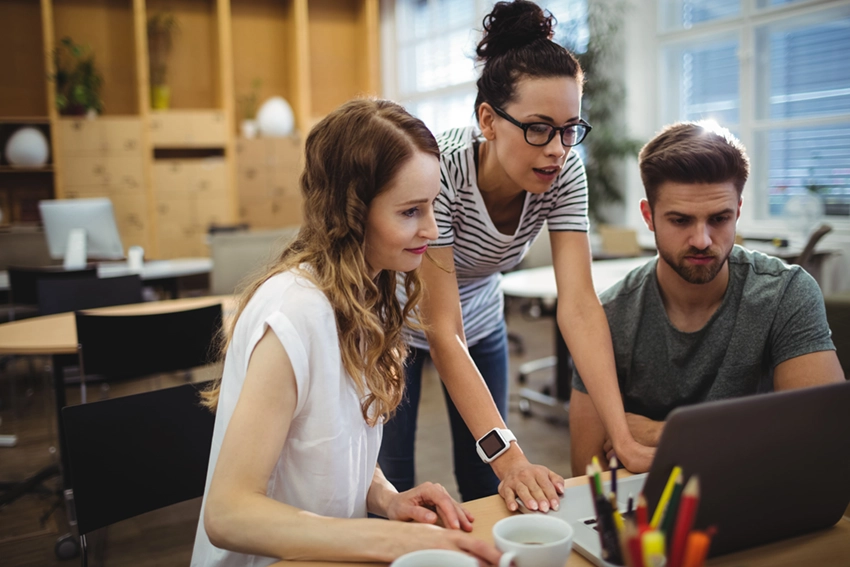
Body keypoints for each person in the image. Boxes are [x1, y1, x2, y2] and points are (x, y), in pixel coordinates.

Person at [191, 99, 502, 566]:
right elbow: (227, 513)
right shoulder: (294, 312)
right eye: (410, 212)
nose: (433, 229)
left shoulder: (365, 297)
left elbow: (328, 447)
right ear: (352, 213)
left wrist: (386, 498)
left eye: (432, 206)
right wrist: (389, 540)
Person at [378, 0, 653, 513]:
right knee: (393, 483)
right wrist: (514, 460)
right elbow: (442, 329)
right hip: (395, 322)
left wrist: (623, 436)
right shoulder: (444, 170)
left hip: (479, 318)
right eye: (538, 127)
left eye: (569, 129)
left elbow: (579, 306)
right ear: (488, 119)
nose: (557, 149)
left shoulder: (564, 173)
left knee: (485, 485)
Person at [569, 121, 845, 475]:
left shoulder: (786, 294)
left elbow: (823, 438)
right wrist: (753, 437)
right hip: (654, 505)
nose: (701, 240)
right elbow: (587, 469)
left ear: (738, 211)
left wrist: (661, 434)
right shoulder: (608, 315)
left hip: (761, 494)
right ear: (649, 217)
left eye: (719, 219)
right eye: (680, 220)